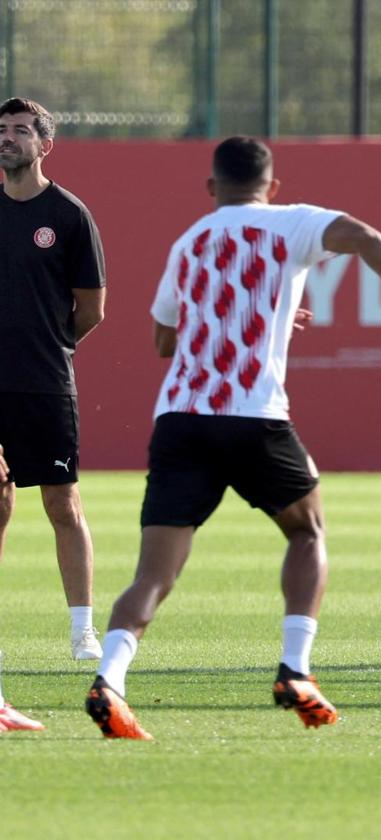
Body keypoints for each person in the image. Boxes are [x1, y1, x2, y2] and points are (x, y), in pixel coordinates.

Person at [84, 136, 381, 739]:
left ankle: (110, 679)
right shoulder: (289, 224)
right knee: (307, 530)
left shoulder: (189, 243)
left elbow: (163, 342)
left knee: (153, 574)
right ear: (273, 187)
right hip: (254, 415)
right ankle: (296, 668)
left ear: (211, 189)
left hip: (180, 418)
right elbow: (366, 238)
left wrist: (257, 315)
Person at [0, 97, 106, 733]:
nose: (6, 140)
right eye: (1, 131)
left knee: (62, 505)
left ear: (44, 144)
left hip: (43, 383)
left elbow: (91, 309)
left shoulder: (68, 216)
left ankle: (81, 629)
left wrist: (49, 346)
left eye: (18, 131)